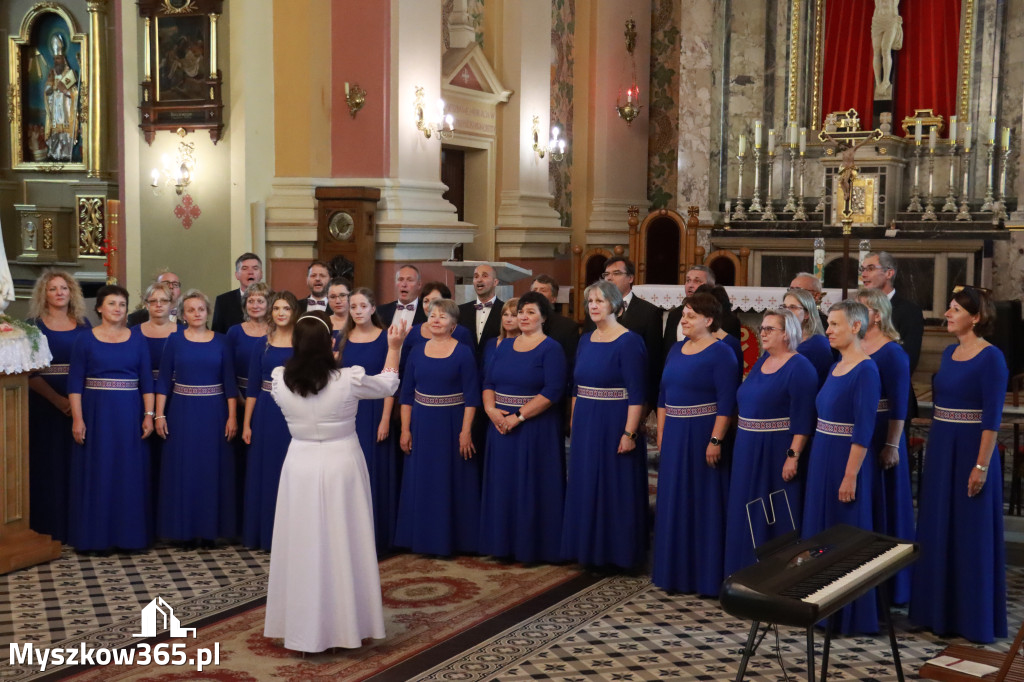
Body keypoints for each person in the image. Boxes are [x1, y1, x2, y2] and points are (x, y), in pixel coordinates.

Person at [263, 312, 408, 653]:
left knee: (302, 543)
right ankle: (348, 624)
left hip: (300, 463)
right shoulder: (347, 379)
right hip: (342, 460)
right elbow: (389, 384)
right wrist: (394, 347)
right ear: (330, 343)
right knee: (346, 540)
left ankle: (300, 627)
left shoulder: (279, 379)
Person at [910, 286, 1008, 644]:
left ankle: (973, 619)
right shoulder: (950, 354)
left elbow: (991, 420)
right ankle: (934, 612)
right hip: (942, 450)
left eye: (955, 309)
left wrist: (981, 467)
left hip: (972, 453)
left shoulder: (992, 358)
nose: (947, 314)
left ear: (977, 318)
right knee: (937, 527)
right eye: (949, 308)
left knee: (970, 534)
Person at [801, 300, 882, 634]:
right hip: (822, 455)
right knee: (819, 532)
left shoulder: (866, 369)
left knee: (843, 535)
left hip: (845, 461)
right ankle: (818, 606)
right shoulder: (836, 365)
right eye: (828, 324)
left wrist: (851, 475)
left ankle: (848, 614)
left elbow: (864, 429)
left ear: (856, 326)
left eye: (835, 324)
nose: (829, 330)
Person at [653, 292, 738, 595]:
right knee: (674, 501)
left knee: (702, 503)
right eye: (683, 315)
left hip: (703, 433)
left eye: (690, 315)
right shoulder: (676, 349)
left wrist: (715, 439)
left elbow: (727, 403)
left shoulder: (722, 353)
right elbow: (663, 395)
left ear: (709, 320)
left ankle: (705, 576)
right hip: (674, 434)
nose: (684, 320)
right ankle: (673, 573)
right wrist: (662, 433)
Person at [562, 280, 648, 570]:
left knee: (615, 486)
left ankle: (617, 554)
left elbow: (637, 393)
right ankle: (587, 550)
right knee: (585, 482)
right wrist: (574, 422)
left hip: (615, 420)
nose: (594, 306)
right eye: (590, 301)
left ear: (615, 304)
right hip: (586, 419)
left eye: (600, 300)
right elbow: (576, 386)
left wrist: (630, 432)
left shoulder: (629, 341)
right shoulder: (585, 339)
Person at [724, 309, 817, 576]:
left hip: (775, 450)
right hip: (747, 447)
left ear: (787, 334)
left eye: (769, 329)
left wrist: (793, 455)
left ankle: (774, 577)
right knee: (744, 510)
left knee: (772, 514)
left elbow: (803, 419)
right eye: (762, 328)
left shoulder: (800, 367)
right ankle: (741, 573)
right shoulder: (763, 361)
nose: (761, 333)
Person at [479, 292, 567, 563]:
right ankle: (502, 545)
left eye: (530, 312)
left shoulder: (551, 348)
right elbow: (488, 383)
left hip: (534, 428)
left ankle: (532, 548)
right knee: (503, 485)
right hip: (500, 427)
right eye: (521, 312)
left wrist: (517, 417)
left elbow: (552, 390)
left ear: (543, 316)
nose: (524, 317)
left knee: (531, 486)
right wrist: (492, 412)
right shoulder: (503, 346)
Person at [67, 285, 155, 552]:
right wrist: (77, 420)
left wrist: (149, 415)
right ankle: (96, 539)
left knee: (127, 473)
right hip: (96, 414)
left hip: (129, 413)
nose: (118, 309)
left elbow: (147, 382)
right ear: (99, 307)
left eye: (122, 304)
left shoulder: (138, 339)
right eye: (112, 303)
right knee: (100, 471)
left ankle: (129, 538)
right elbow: (75, 383)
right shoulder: (85, 338)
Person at [395, 298, 481, 556]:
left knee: (450, 480)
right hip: (422, 424)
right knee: (423, 480)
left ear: (453, 324)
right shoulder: (416, 352)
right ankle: (421, 540)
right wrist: (405, 429)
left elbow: (472, 397)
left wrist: (465, 432)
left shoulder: (463, 352)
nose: (436, 320)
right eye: (433, 315)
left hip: (452, 424)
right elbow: (407, 394)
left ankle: (454, 541)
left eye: (442, 317)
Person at [154, 290, 238, 544]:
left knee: (211, 469)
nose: (197, 314)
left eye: (201, 309)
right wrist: (159, 415)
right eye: (191, 310)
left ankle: (210, 531)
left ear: (208, 312)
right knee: (184, 469)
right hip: (182, 412)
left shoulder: (222, 341)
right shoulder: (174, 341)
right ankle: (183, 531)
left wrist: (232, 416)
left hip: (215, 412)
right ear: (182, 314)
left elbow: (230, 383)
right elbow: (163, 381)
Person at [858, 287, 914, 604]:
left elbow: (899, 404)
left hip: (883, 434)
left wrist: (892, 444)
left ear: (877, 314)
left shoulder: (893, 353)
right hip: (859, 432)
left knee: (883, 505)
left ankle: (890, 588)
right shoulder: (851, 347)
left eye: (861, 308)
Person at [26, 269, 92, 542]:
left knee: (77, 464)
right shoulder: (32, 327)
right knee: (47, 464)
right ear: (44, 293)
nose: (59, 293)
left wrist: (74, 403)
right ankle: (48, 526)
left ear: (71, 292)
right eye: (53, 289)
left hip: (79, 404)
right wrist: (57, 400)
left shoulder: (84, 325)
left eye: (63, 288)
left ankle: (76, 525)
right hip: (44, 402)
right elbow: (29, 372)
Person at [342, 288, 400, 552]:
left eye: (362, 306)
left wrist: (386, 418)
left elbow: (390, 380)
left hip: (377, 411)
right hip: (348, 413)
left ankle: (377, 538)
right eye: (353, 307)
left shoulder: (385, 338)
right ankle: (351, 538)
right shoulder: (342, 339)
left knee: (375, 472)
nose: (357, 311)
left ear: (373, 308)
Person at [241, 291, 297, 550]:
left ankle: (292, 536)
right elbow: (252, 388)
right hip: (265, 410)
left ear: (294, 312)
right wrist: (246, 423)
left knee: (291, 471)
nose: (281, 313)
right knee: (265, 472)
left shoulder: (302, 344)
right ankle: (264, 534)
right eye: (276, 308)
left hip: (293, 413)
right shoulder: (261, 344)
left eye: (286, 308)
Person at [225, 282, 270, 526]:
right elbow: (226, 368)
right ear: (245, 305)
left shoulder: (277, 331)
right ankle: (237, 519)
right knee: (237, 460)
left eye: (260, 301)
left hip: (265, 400)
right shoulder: (234, 332)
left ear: (268, 305)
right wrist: (238, 398)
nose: (255, 305)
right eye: (251, 301)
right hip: (236, 399)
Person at [133, 280, 180, 506]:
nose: (159, 305)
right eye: (153, 301)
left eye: (164, 301)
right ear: (146, 305)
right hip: (139, 397)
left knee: (170, 456)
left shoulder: (183, 332)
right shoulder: (133, 333)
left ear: (173, 304)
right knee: (143, 455)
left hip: (176, 398)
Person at [859, 252, 923, 373]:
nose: (864, 274)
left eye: (870, 269)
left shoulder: (909, 311)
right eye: (863, 269)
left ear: (889, 273)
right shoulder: (858, 308)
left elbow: (908, 361)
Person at [399, 282, 475, 377]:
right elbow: (405, 368)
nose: (430, 306)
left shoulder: (462, 333)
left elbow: (470, 370)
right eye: (426, 301)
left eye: (435, 301)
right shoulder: (413, 331)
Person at [782, 287, 833, 389]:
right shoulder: (783, 339)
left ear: (807, 314)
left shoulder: (818, 345)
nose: (786, 312)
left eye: (792, 307)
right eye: (784, 307)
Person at [530, 274, 579, 367]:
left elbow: (569, 362)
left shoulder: (568, 327)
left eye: (543, 290)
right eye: (534, 290)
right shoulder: (522, 322)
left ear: (553, 298)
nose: (537, 294)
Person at [457, 263, 504, 359]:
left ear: (495, 282)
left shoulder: (505, 310)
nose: (479, 280)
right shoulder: (460, 310)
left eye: (485, 276)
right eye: (476, 276)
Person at [44, 34, 79, 162]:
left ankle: (65, 154)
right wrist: (49, 91)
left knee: (65, 133)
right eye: (54, 59)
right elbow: (47, 90)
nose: (56, 62)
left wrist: (66, 91)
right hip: (55, 109)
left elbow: (75, 92)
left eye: (58, 59)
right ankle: (54, 153)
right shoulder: (52, 74)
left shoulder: (70, 74)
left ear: (63, 59)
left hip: (66, 109)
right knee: (55, 133)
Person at [212, 253, 263, 334]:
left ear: (261, 274)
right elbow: (217, 334)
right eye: (245, 268)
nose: (250, 272)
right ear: (237, 275)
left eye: (255, 268)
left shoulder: (273, 299)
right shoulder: (223, 301)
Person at [871, 0, 903, 99]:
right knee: (876, 51)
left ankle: (886, 81)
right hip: (877, 20)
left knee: (885, 49)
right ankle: (878, 82)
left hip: (890, 19)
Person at [378, 264, 426, 329]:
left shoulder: (427, 312)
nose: (404, 284)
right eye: (400, 279)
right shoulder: (380, 311)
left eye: (409, 280)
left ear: (419, 285)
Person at [481, 297, 520, 371]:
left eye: (514, 315)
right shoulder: (491, 343)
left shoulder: (526, 344)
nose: (508, 319)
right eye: (505, 315)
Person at [327, 277, 352, 351]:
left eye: (342, 295)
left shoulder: (359, 322)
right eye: (333, 297)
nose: (338, 301)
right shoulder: (322, 323)